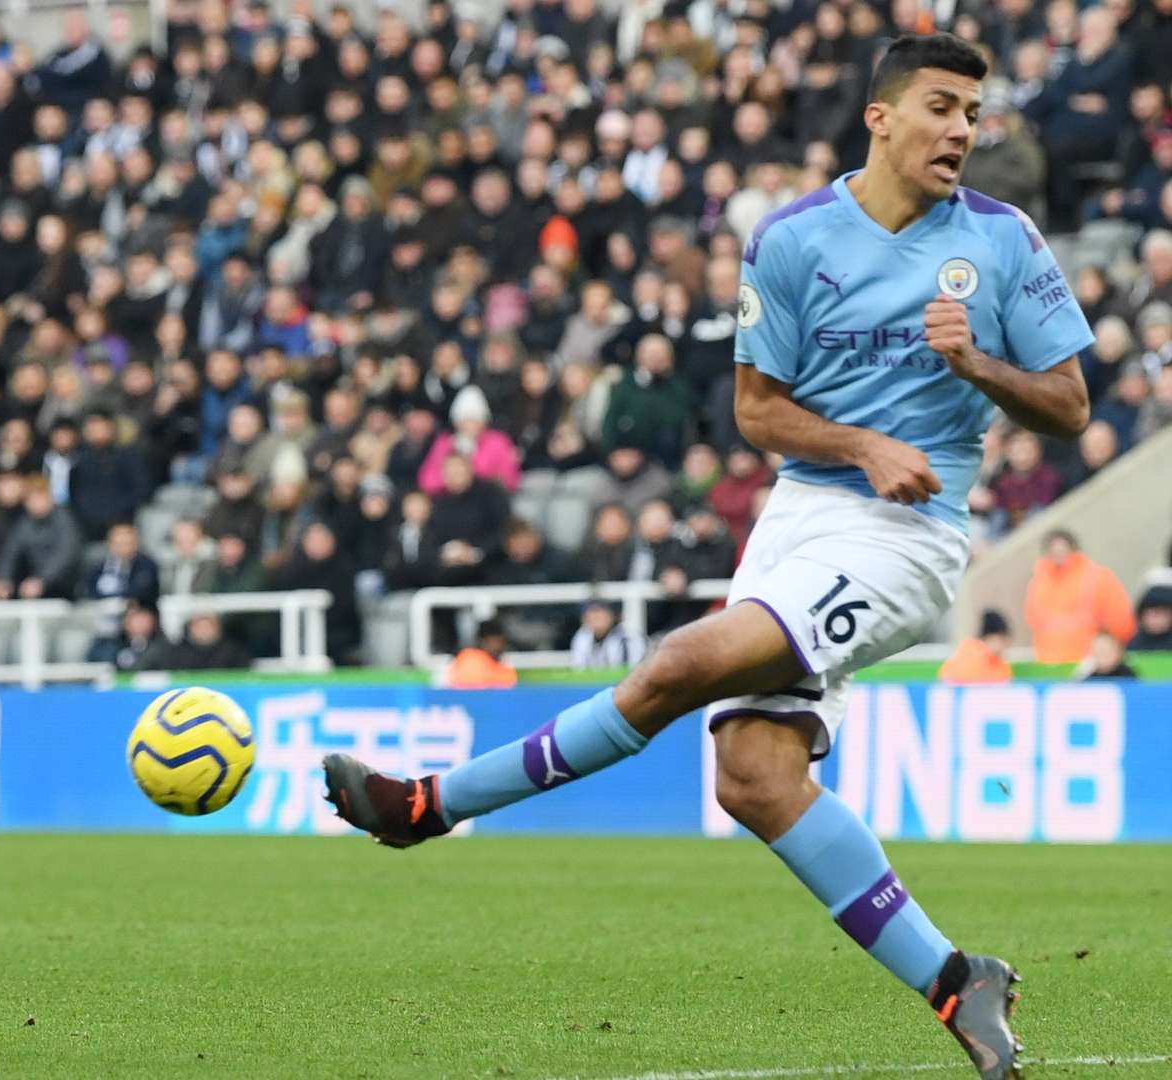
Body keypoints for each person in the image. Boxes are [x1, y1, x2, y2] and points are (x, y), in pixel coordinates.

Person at [319, 36, 1092, 1080]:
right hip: (801, 518)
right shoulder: (790, 240)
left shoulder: (1001, 242)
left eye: (971, 112)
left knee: (680, 666)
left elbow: (1070, 407)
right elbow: (757, 412)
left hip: (910, 538)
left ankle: (426, 807)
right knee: (754, 779)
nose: (962, 130)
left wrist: (975, 364)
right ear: (881, 116)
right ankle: (958, 981)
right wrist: (860, 441)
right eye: (942, 107)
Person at [1023, 529, 1137, 664]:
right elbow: (1033, 618)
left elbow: (1119, 620)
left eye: (1062, 550)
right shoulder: (1039, 581)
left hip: (1089, 661)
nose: (1059, 556)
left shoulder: (1097, 577)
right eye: (1054, 551)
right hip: (1047, 660)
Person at [938, 609, 1015, 684]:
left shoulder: (965, 650)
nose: (1004, 648)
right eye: (1003, 641)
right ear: (995, 636)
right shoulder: (974, 657)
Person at [443, 617, 517, 688]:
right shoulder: (469, 659)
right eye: (494, 641)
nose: (498, 646)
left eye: (501, 642)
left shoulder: (504, 665)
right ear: (483, 641)